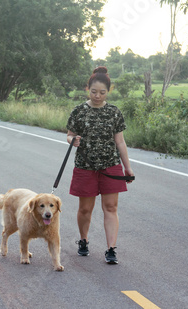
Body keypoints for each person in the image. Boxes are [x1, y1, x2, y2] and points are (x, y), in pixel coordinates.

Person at [66, 66, 134, 264]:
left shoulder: (114, 112)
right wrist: (72, 140)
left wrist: (127, 167)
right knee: (85, 209)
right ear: (87, 88)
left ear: (108, 91)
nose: (97, 96)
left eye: (102, 92)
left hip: (110, 166)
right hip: (85, 166)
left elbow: (120, 142)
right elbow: (69, 135)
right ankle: (83, 240)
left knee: (111, 207)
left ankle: (111, 249)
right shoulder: (78, 111)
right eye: (94, 91)